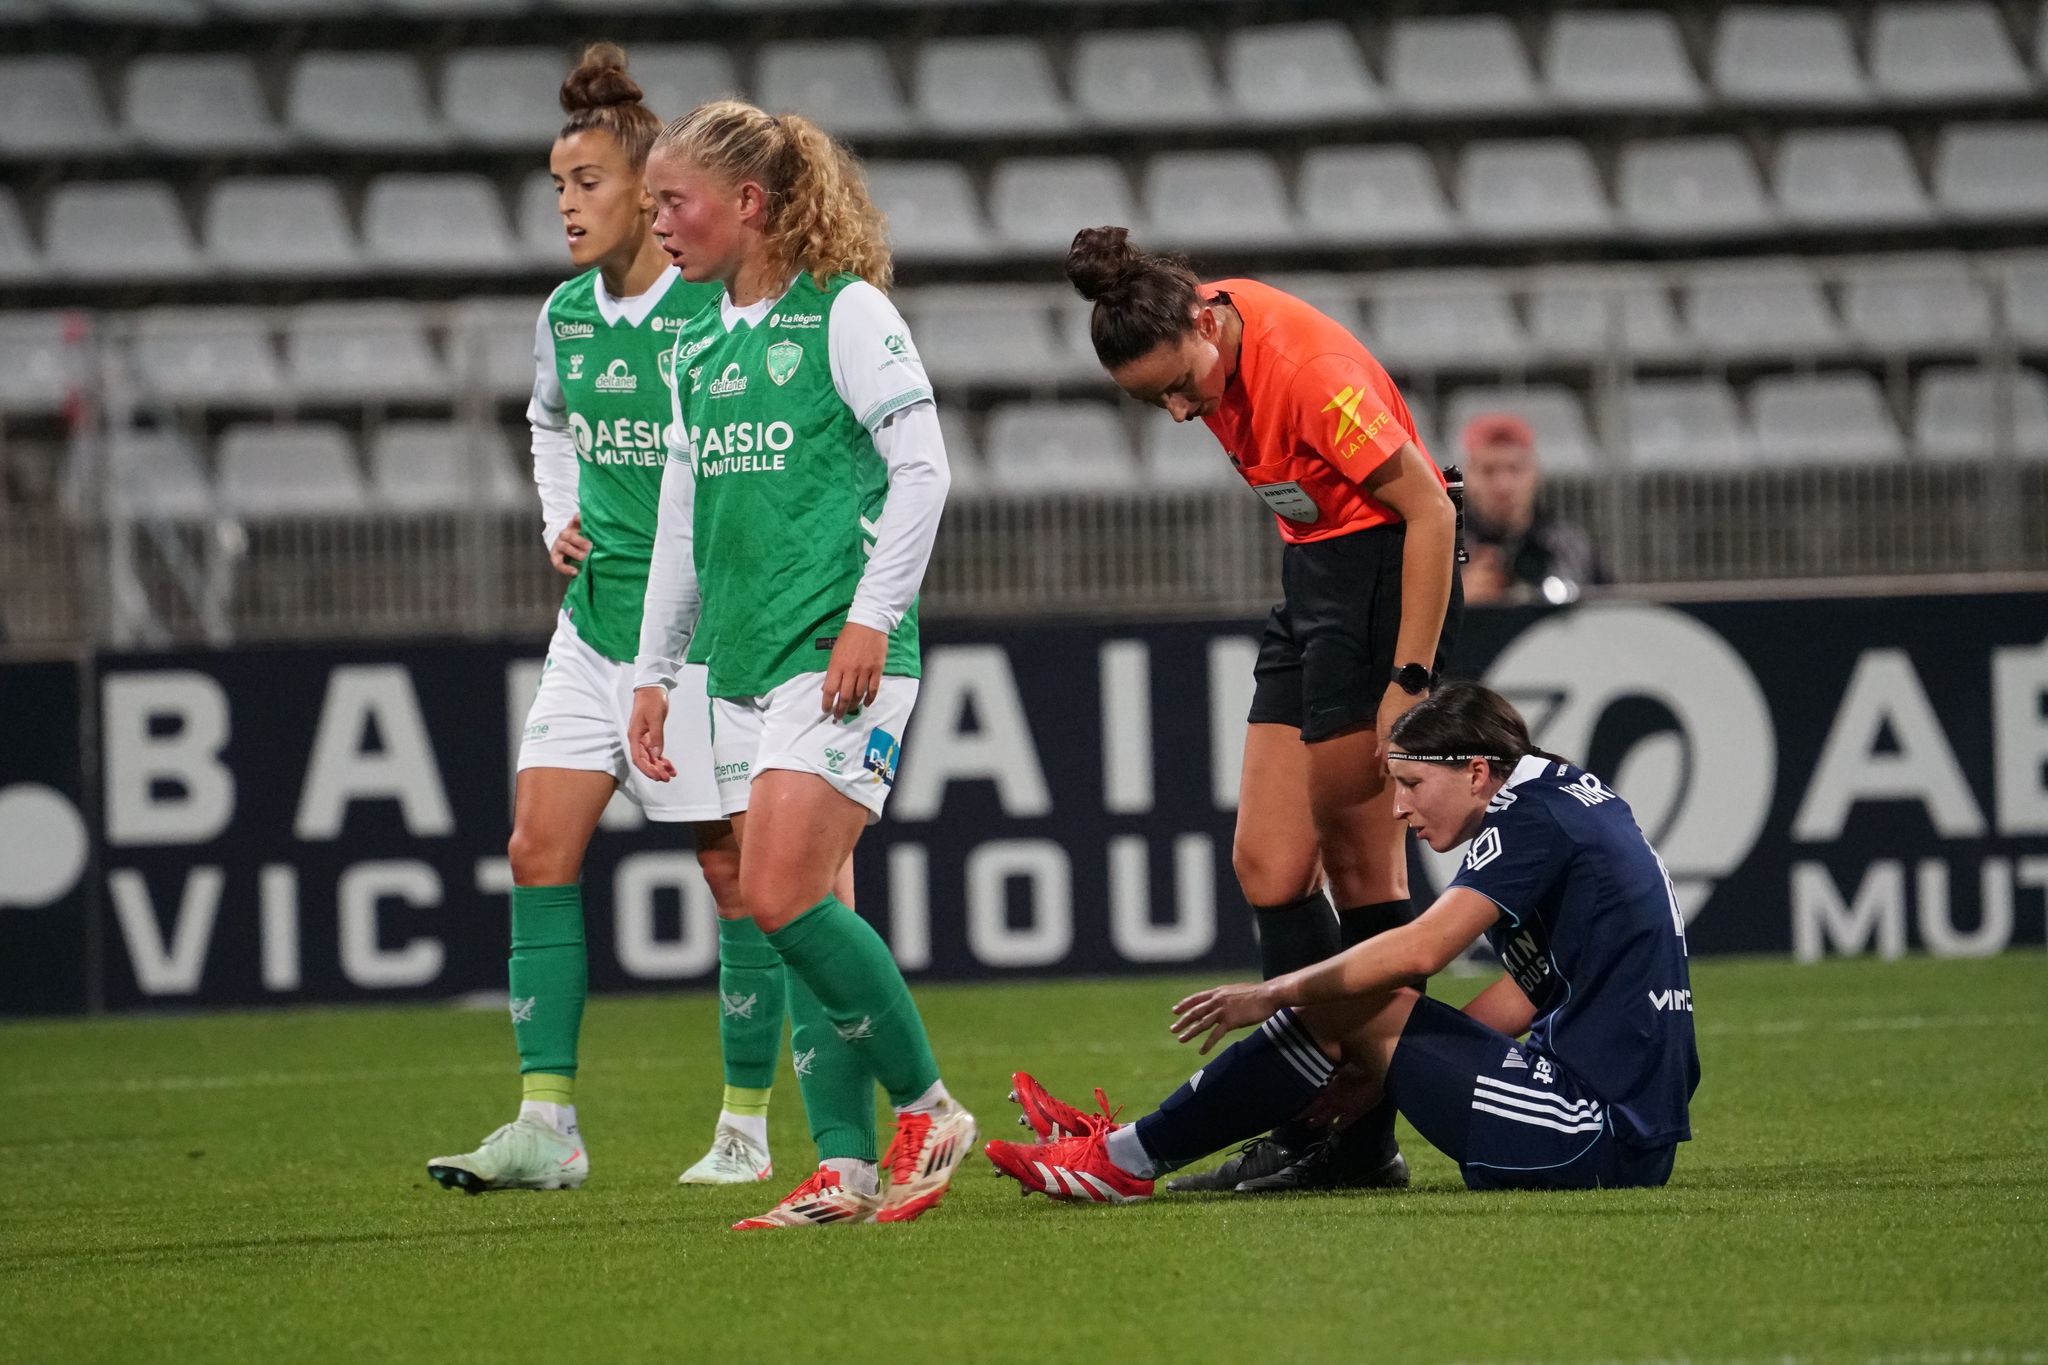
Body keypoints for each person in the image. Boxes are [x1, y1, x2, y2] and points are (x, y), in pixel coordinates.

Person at [427, 45, 806, 1195]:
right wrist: (559, 514)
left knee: (731, 878)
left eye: (585, 183)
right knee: (533, 849)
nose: (565, 205)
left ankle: (744, 1128)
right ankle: (547, 1125)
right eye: (557, 186)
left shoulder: (706, 313)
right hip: (591, 632)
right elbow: (547, 422)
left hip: (688, 646)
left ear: (648, 194)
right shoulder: (564, 315)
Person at [627, 98, 973, 1229]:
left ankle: (929, 1108)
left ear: (748, 202)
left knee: (777, 896)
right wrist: (653, 670)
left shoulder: (845, 310)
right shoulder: (694, 340)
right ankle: (845, 1166)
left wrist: (873, 615)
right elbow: (681, 519)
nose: (656, 222)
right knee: (809, 912)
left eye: (672, 201)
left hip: (837, 656)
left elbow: (922, 469)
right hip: (739, 664)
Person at [1062, 228, 1460, 1192]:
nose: (1177, 411)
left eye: (1178, 386)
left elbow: (1433, 512)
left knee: (1363, 867)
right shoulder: (1201, 324)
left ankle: (1353, 1138)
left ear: (1205, 323)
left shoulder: (1312, 378)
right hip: (1314, 574)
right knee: (1270, 865)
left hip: (1379, 579)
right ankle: (1320, 1117)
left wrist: (1408, 679)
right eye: (1152, 399)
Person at [986, 681, 1700, 1201]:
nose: (1400, 807)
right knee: (1364, 1012)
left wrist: (1272, 993)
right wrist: (1382, 1070)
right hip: (1624, 1134)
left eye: (1412, 782)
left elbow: (1422, 950)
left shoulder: (1530, 816)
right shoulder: (1571, 800)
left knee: (1359, 1000)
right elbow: (1527, 992)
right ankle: (1127, 1151)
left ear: (1477, 772)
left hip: (1590, 1134)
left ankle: (1122, 1159)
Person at [1458, 412, 1605, 606]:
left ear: (1534, 473)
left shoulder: (1569, 546)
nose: (1503, 485)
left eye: (1515, 469)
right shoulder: (1446, 548)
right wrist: (1457, 600)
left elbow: (1606, 608)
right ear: (1468, 478)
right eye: (1488, 470)